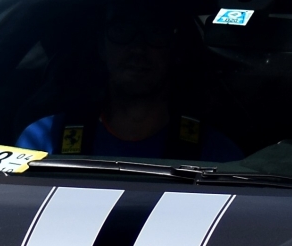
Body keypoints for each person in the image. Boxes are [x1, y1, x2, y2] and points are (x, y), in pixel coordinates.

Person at [18, 11, 243, 161]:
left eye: (155, 32)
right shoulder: (45, 140)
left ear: (174, 50)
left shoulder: (214, 154)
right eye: (121, 30)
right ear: (102, 47)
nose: (137, 48)